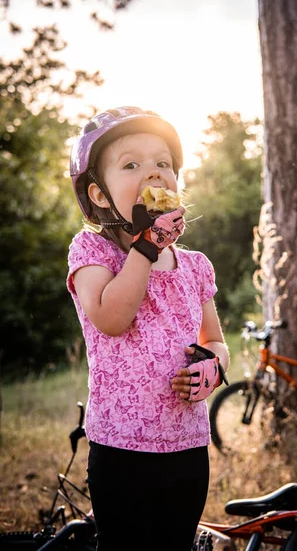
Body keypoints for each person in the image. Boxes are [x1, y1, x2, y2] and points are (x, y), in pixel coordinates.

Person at [66, 106, 230, 551]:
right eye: (132, 165)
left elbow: (213, 340)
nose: (154, 174)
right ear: (99, 195)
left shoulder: (194, 266)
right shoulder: (92, 252)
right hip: (121, 448)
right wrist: (144, 247)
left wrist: (212, 368)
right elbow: (112, 319)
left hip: (187, 445)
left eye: (163, 164)